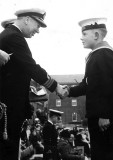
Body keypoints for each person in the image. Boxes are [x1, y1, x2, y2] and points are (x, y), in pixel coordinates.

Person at [0, 8, 67, 160]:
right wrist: (56, 86)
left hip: (9, 107)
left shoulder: (11, 36)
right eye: (38, 25)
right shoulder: (13, 37)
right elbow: (31, 67)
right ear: (27, 19)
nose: (38, 30)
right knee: (7, 152)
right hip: (8, 109)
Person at [64, 18, 113, 160]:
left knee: (104, 154)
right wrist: (68, 91)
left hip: (103, 119)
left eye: (85, 34)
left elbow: (108, 85)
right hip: (99, 118)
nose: (81, 38)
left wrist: (105, 114)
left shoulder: (103, 54)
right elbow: (88, 84)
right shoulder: (97, 55)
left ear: (96, 35)